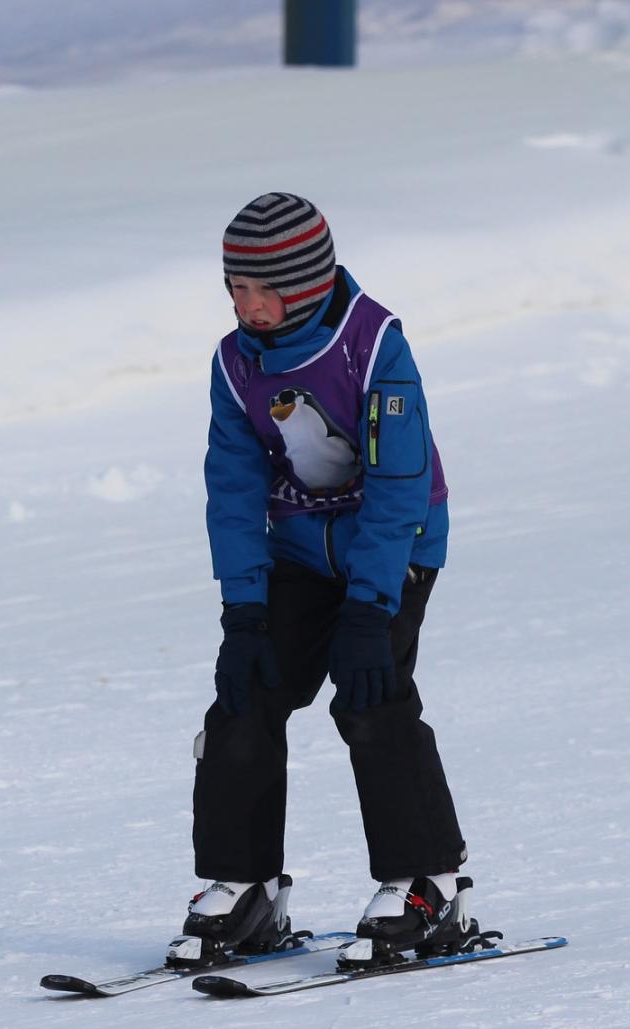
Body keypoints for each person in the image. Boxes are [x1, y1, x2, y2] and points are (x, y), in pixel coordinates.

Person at [167, 192, 488, 970]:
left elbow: (399, 484)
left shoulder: (374, 346)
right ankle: (245, 885)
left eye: (261, 288)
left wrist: (372, 608)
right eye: (233, 287)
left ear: (304, 283)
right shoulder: (233, 362)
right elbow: (234, 490)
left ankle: (428, 884)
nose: (245, 305)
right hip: (301, 555)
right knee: (246, 695)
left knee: (370, 692)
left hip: (396, 545)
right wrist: (242, 611)